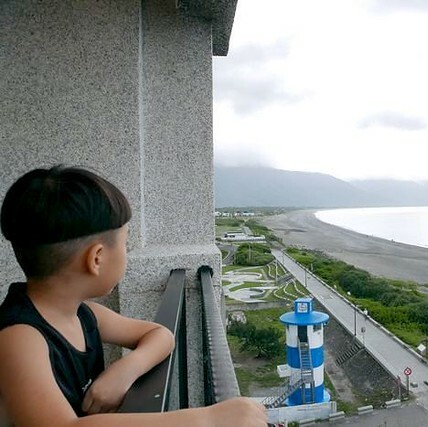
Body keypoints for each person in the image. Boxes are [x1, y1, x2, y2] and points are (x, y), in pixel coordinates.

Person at [0, 166, 267, 427]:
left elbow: (161, 335)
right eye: (125, 244)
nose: (127, 253)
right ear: (97, 258)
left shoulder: (82, 314)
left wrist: (125, 370)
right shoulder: (18, 337)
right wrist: (208, 419)